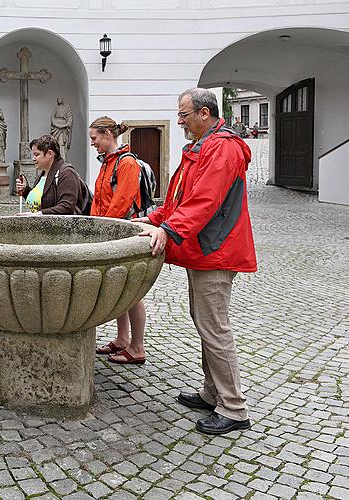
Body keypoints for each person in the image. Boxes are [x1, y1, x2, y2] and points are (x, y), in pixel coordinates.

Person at [136, 88, 256, 435]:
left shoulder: (224, 148)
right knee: (205, 323)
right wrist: (155, 218)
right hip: (204, 251)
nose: (179, 121)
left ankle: (234, 407)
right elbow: (181, 198)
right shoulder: (205, 146)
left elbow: (204, 201)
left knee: (215, 329)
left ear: (205, 113)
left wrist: (169, 231)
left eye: (184, 115)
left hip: (215, 251)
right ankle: (212, 392)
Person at [88, 116, 147, 365]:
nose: (92, 143)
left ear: (107, 135)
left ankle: (137, 346)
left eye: (94, 138)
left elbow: (121, 203)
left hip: (122, 233)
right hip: (107, 232)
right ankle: (122, 339)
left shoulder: (127, 163)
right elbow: (99, 199)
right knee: (119, 289)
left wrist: (102, 228)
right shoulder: (107, 163)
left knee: (132, 291)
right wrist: (91, 226)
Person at [15, 134, 83, 215]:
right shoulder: (43, 174)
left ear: (50, 154)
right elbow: (42, 201)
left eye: (37, 155)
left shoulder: (67, 173)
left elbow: (67, 206)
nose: (33, 158)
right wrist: (25, 191)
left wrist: (39, 214)